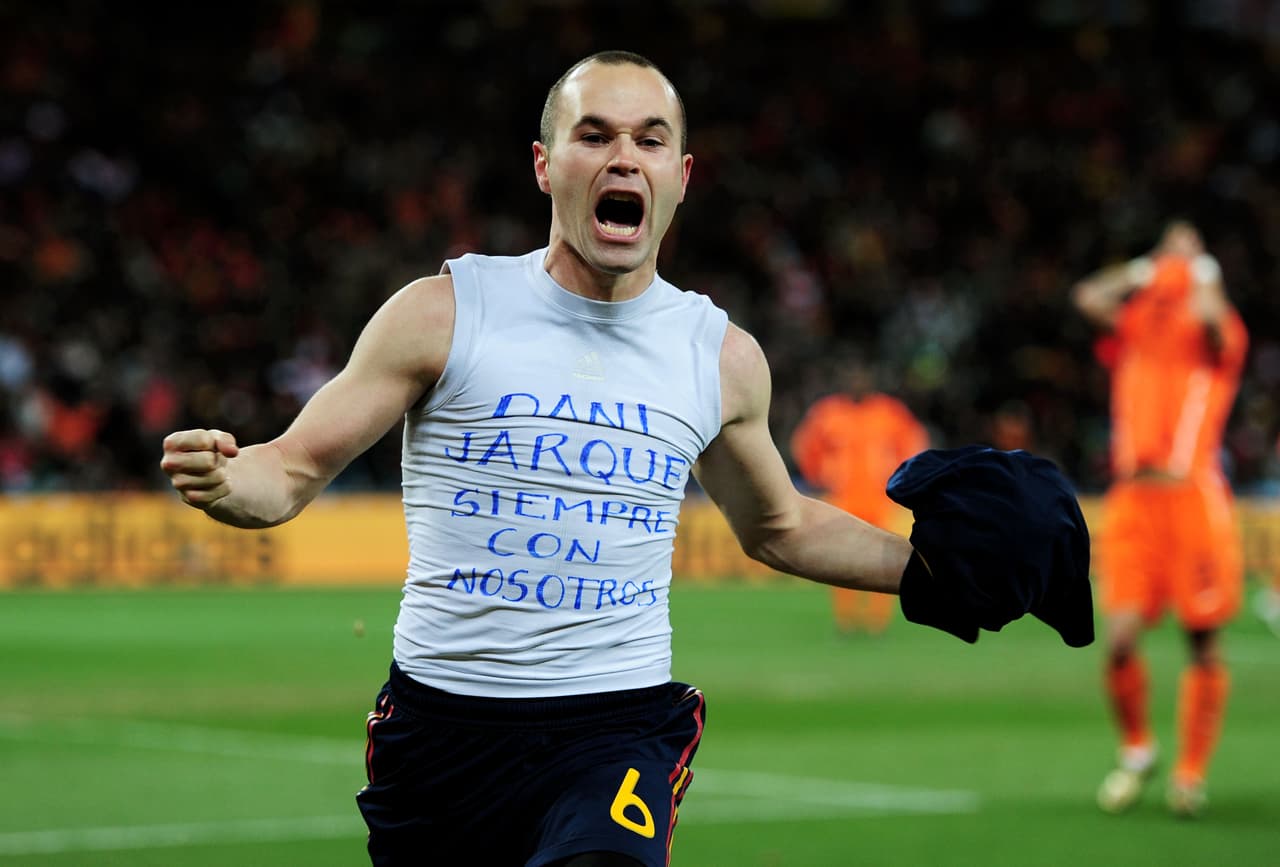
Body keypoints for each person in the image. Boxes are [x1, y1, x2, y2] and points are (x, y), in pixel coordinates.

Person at [162, 51, 1090, 867]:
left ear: (681, 176)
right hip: (441, 733)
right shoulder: (445, 311)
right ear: (545, 165)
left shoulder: (719, 355)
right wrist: (225, 477)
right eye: (594, 134)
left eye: (649, 140)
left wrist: (928, 573)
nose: (623, 158)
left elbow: (780, 523)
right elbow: (286, 471)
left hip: (615, 724)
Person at [1073, 220, 1249, 819]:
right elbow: (1088, 297)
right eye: (1167, 247)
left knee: (1201, 640)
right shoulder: (1138, 321)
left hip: (1192, 496)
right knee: (1119, 642)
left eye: (1186, 247)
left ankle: (1190, 773)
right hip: (1132, 500)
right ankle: (1138, 749)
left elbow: (1215, 326)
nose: (1175, 257)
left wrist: (1204, 272)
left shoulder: (1216, 332)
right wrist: (1142, 270)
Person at [790, 353, 928, 634]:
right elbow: (805, 446)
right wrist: (819, 475)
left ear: (870, 381)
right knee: (840, 559)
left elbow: (913, 443)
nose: (856, 382)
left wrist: (904, 479)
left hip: (879, 499)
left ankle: (878, 620)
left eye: (861, 377)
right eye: (851, 378)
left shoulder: (889, 412)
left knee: (882, 558)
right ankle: (847, 618)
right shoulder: (828, 412)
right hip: (842, 499)